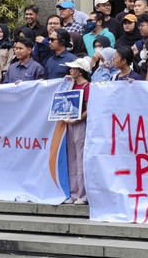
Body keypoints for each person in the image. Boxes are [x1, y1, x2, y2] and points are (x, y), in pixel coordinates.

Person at [60, 58, 91, 205]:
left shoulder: (86, 87)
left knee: (80, 159)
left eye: (73, 69)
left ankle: (82, 194)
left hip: (80, 125)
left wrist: (77, 120)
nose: (70, 71)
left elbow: (88, 108)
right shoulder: (72, 85)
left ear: (79, 71)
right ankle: (73, 192)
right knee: (71, 159)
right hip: (69, 123)